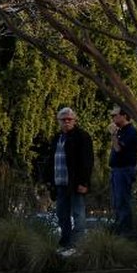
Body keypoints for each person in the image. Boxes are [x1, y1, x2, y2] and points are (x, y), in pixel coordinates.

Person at [44, 106, 93, 253]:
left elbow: (87, 161)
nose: (66, 122)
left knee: (78, 213)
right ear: (58, 121)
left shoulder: (82, 136)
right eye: (63, 119)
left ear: (74, 120)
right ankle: (65, 241)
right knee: (61, 214)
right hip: (59, 182)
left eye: (69, 119)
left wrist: (84, 182)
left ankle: (77, 243)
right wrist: (48, 180)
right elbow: (51, 160)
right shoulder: (56, 138)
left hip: (75, 182)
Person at [109, 105, 137, 235]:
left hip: (124, 170)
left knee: (122, 201)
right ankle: (119, 229)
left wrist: (113, 134)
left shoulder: (130, 131)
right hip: (116, 170)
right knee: (116, 202)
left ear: (124, 116)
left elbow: (118, 149)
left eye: (115, 115)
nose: (113, 118)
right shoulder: (121, 131)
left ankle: (126, 233)